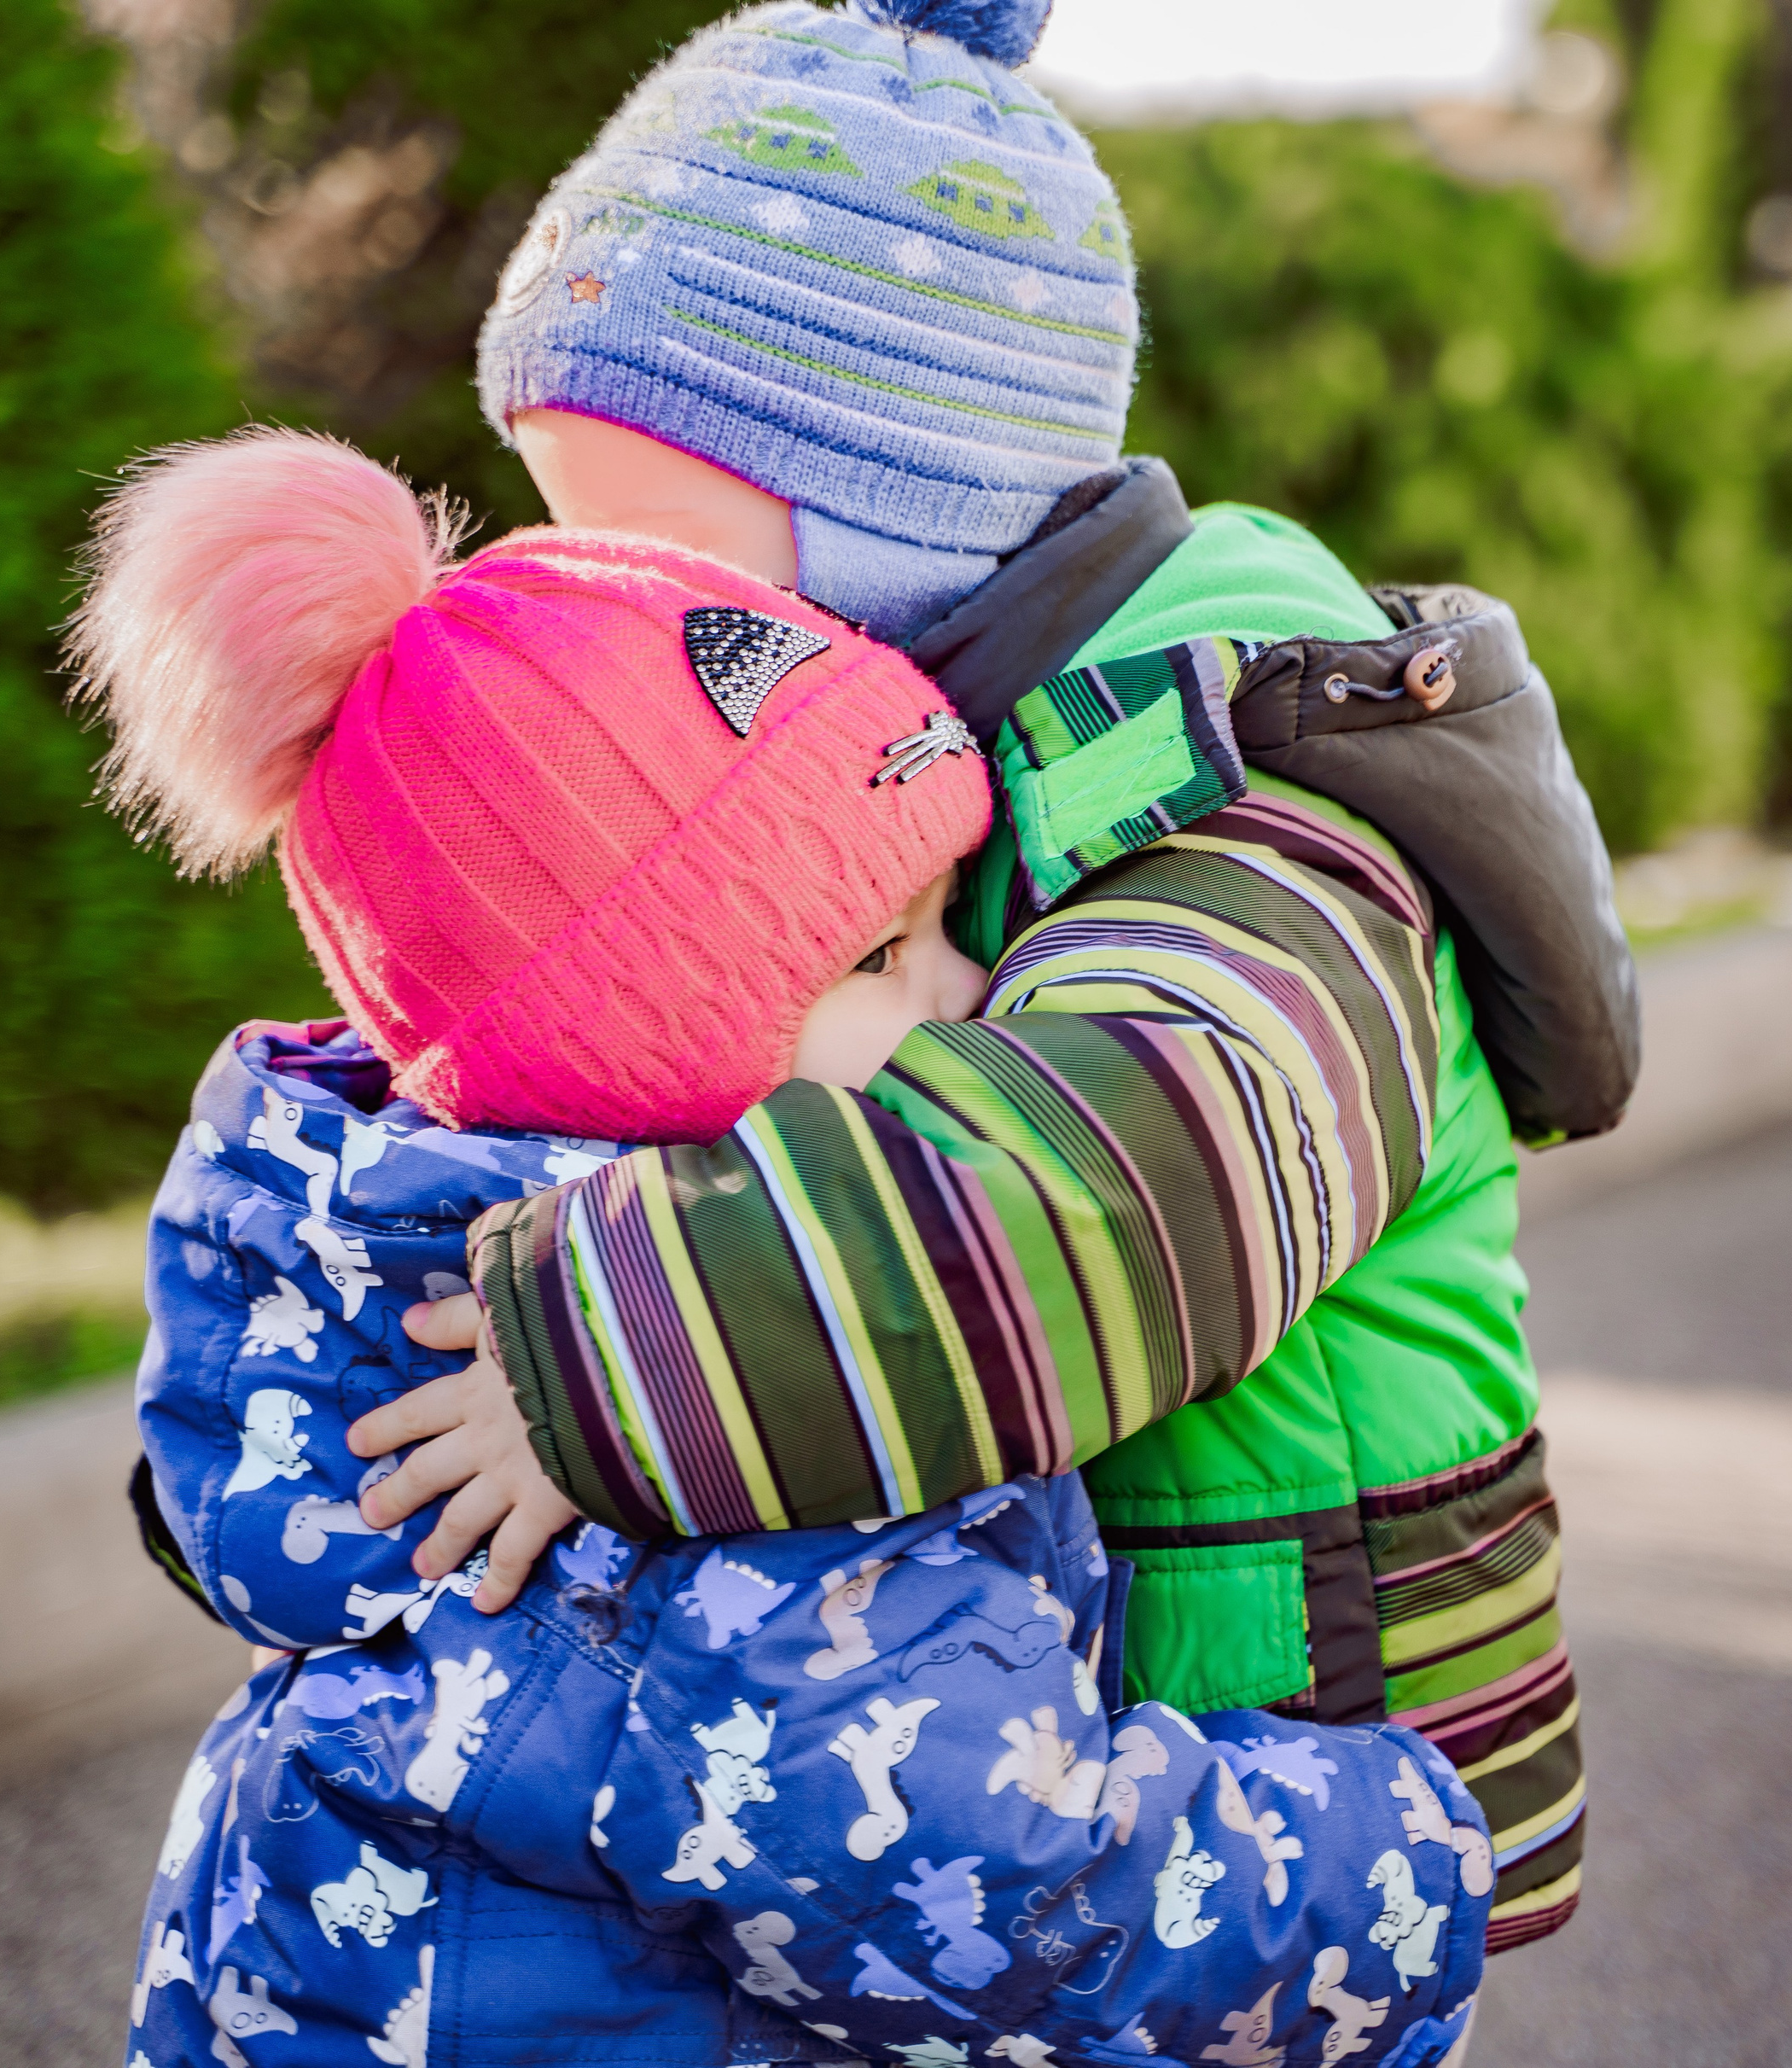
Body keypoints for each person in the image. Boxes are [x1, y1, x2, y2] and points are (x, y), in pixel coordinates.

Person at [346, 0, 1634, 1962]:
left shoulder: (1257, 805)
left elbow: (1135, 1178)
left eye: (650, 551)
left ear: (894, 506)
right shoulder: (943, 750)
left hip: (1293, 1788)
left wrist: (611, 1360)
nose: (603, 607)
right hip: (1056, 1746)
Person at [79, 426, 1491, 2068]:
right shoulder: (713, 1450)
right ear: (640, 1056)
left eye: (950, 919)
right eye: (887, 958)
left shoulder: (366, 1267)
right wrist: (1399, 1852)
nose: (975, 993)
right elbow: (1020, 1909)